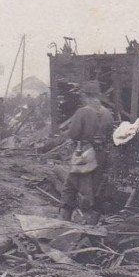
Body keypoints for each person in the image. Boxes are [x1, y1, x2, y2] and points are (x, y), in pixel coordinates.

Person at [60, 81, 114, 223]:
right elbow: (110, 134)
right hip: (101, 155)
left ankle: (64, 220)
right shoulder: (108, 113)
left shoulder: (83, 112)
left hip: (83, 153)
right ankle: (92, 222)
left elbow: (73, 134)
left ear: (85, 95)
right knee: (97, 186)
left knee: (71, 185)